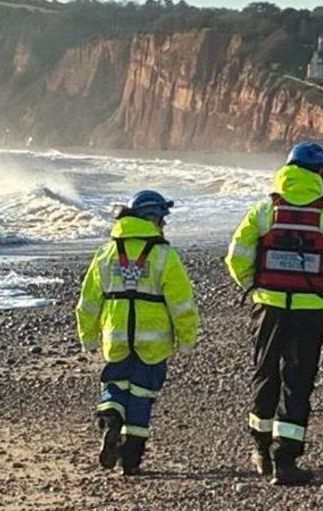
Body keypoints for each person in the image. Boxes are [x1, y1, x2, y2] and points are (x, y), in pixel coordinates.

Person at [225, 142, 323, 485]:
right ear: (322, 173)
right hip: (311, 309)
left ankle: (260, 450)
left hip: (268, 307)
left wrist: (253, 287)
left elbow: (236, 255)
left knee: (265, 374)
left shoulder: (264, 209)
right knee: (297, 383)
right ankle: (285, 460)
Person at [75, 190, 200, 476]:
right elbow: (182, 304)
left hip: (115, 335)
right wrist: (187, 339)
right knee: (142, 394)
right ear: (152, 218)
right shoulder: (165, 255)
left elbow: (88, 301)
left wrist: (89, 337)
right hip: (153, 341)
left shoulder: (106, 254)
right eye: (162, 220)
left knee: (114, 384)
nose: (164, 226)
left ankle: (110, 418)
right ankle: (130, 459)